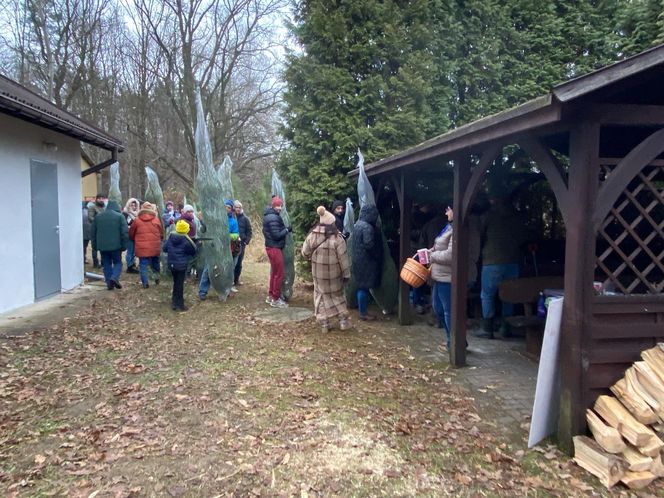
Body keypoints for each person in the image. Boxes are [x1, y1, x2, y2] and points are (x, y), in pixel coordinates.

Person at [477, 193, 532, 339]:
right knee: (508, 295)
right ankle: (505, 327)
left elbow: (480, 235)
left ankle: (487, 328)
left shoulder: (488, 216)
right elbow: (524, 237)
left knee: (487, 294)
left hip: (492, 261)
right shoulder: (516, 217)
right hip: (513, 261)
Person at [302, 206, 352, 333]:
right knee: (338, 295)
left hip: (318, 274)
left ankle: (324, 324)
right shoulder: (337, 238)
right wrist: (346, 274)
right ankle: (343, 322)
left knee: (321, 296)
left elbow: (304, 253)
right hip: (335, 274)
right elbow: (343, 259)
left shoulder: (312, 235)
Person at [351, 204, 383, 321]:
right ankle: (363, 312)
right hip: (366, 261)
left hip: (357, 260)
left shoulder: (357, 225)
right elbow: (369, 244)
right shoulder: (367, 227)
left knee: (360, 285)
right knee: (364, 287)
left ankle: (361, 309)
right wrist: (377, 255)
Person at [428, 207, 454, 350]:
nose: (446, 213)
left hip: (447, 277)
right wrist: (429, 251)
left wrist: (432, 256)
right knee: (438, 308)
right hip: (438, 275)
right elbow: (439, 246)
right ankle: (452, 338)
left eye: (448, 210)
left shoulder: (457, 230)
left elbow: (451, 255)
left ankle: (453, 342)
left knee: (448, 311)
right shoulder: (448, 227)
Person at [91, 200, 128, 290]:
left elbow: (93, 233)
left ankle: (109, 284)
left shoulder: (98, 217)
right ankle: (114, 277)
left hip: (103, 246)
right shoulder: (120, 217)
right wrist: (124, 245)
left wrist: (94, 245)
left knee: (106, 264)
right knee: (118, 262)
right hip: (116, 246)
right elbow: (125, 232)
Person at [163, 219, 198, 311]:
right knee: (179, 285)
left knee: (175, 283)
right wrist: (196, 244)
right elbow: (193, 252)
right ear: (186, 230)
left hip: (172, 265)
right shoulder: (186, 240)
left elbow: (164, 248)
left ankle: (174, 303)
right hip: (181, 266)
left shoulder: (171, 237)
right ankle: (180, 305)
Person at [263, 196, 290, 308]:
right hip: (274, 248)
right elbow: (276, 235)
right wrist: (287, 229)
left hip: (271, 247)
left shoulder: (268, 216)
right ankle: (276, 298)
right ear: (273, 206)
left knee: (274, 273)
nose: (279, 208)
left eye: (280, 206)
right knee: (279, 274)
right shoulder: (273, 218)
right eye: (277, 205)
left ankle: (271, 295)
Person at [129, 202, 163, 288]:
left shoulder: (137, 220)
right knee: (155, 262)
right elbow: (161, 233)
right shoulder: (156, 220)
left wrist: (135, 239)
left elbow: (131, 233)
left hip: (142, 247)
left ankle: (145, 283)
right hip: (154, 246)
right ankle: (157, 278)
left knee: (143, 264)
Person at [234, 200, 252, 286]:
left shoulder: (245, 219)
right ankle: (230, 280)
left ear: (241, 208)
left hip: (241, 244)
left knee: (239, 262)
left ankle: (236, 279)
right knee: (232, 262)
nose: (238, 209)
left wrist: (246, 241)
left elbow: (249, 231)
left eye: (239, 207)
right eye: (236, 207)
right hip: (232, 243)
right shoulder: (231, 217)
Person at [87, 194, 106, 267]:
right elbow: (90, 218)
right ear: (96, 199)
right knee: (94, 246)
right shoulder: (92, 207)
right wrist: (100, 222)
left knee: (103, 246)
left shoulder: (105, 207)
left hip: (104, 230)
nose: (101, 200)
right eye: (99, 198)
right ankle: (95, 262)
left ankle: (103, 262)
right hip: (95, 229)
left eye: (102, 198)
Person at [123, 198, 140, 273]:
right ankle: (129, 266)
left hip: (136, 234)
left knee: (134, 251)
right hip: (129, 234)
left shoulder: (138, 214)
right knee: (130, 250)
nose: (133, 207)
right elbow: (124, 224)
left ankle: (133, 264)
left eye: (134, 205)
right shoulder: (125, 213)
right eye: (131, 205)